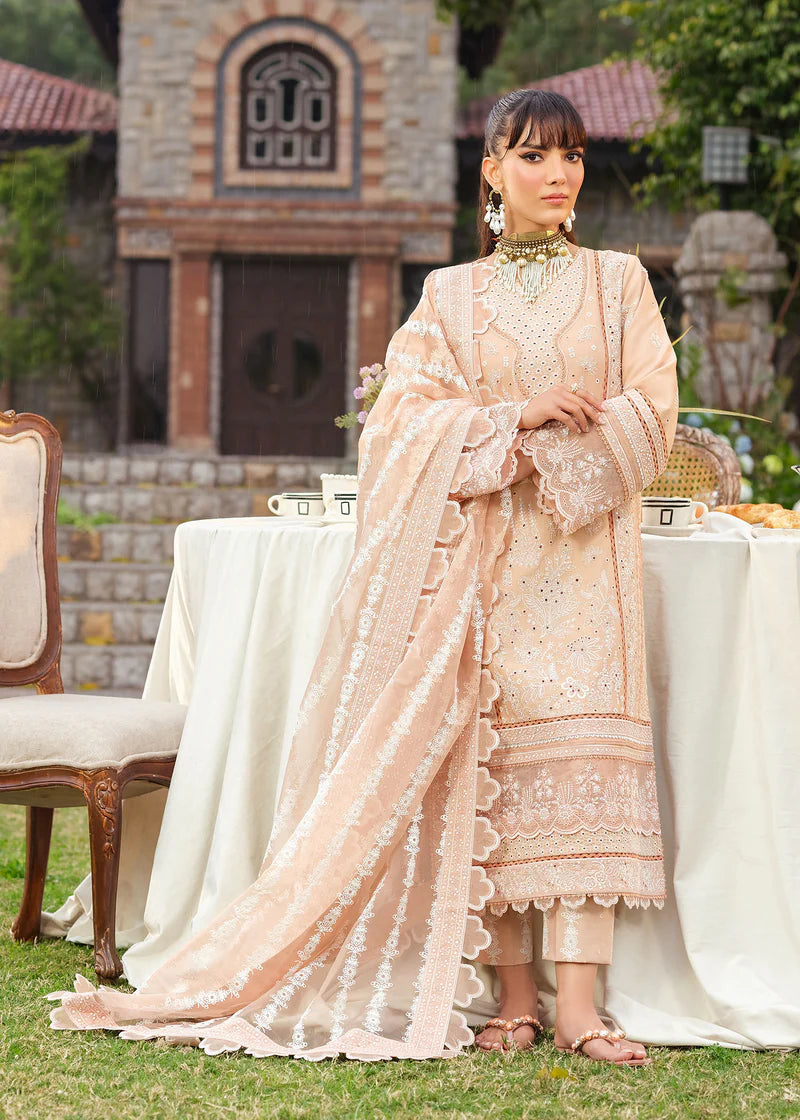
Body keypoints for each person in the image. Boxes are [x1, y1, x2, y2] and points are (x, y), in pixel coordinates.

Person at [50, 90, 678, 1066]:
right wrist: (516, 422)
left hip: (586, 557)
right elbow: (398, 426)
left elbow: (652, 408)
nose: (556, 175)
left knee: (581, 768)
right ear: (490, 170)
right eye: (532, 156)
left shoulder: (618, 279)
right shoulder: (449, 297)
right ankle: (514, 1000)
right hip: (486, 565)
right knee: (501, 776)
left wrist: (558, 449)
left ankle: (579, 1007)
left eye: (570, 156)